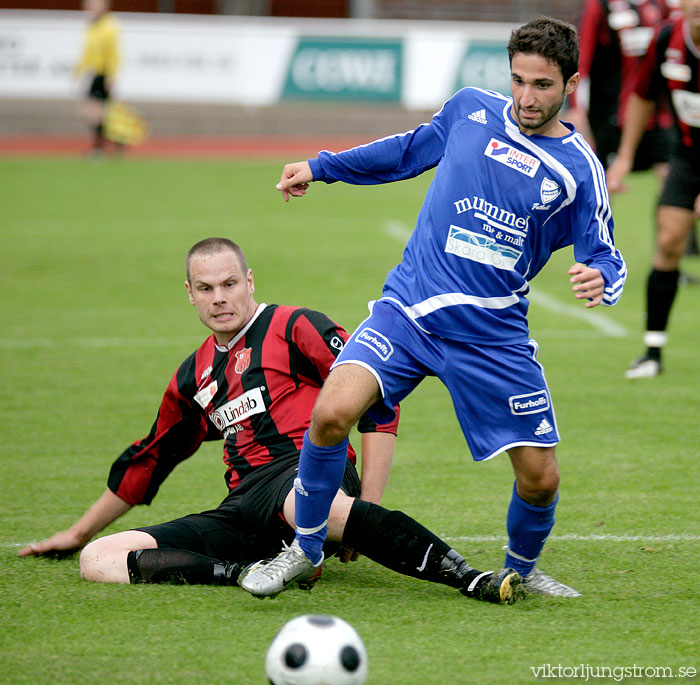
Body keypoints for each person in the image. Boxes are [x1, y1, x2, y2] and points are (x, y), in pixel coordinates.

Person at [241, 16, 625, 600]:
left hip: (491, 335)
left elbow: (606, 252)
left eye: (542, 85)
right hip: (409, 311)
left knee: (541, 478)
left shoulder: (579, 170)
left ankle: (523, 567)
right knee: (330, 414)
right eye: (518, 80)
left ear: (571, 85)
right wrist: (322, 167)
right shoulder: (471, 110)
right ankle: (305, 549)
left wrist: (600, 275)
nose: (526, 96)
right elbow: (405, 153)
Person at [18, 237, 526, 605]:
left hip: (309, 469)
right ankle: (248, 571)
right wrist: (78, 533)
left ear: (250, 281)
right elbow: (149, 460)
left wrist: (367, 511)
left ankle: (469, 577)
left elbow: (379, 403)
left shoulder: (295, 327)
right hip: (244, 505)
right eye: (206, 287)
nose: (219, 297)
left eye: (229, 283)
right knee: (102, 561)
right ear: (190, 294)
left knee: (316, 503)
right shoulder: (192, 374)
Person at [607, 0, 700, 378]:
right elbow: (643, 96)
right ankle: (652, 352)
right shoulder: (667, 37)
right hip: (689, 155)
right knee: (669, 241)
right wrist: (626, 156)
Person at [566, 0, 680, 171]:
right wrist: (576, 108)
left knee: (675, 176)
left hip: (656, 115)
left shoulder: (663, 5)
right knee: (604, 181)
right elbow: (581, 63)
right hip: (609, 116)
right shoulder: (598, 6)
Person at [74, 0, 121, 156]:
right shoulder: (92, 25)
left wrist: (111, 74)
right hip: (93, 73)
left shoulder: (109, 26)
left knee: (96, 112)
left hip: (102, 74)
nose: (90, 8)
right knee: (97, 111)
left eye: (94, 5)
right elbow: (87, 51)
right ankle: (114, 140)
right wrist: (79, 70)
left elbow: (113, 53)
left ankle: (99, 147)